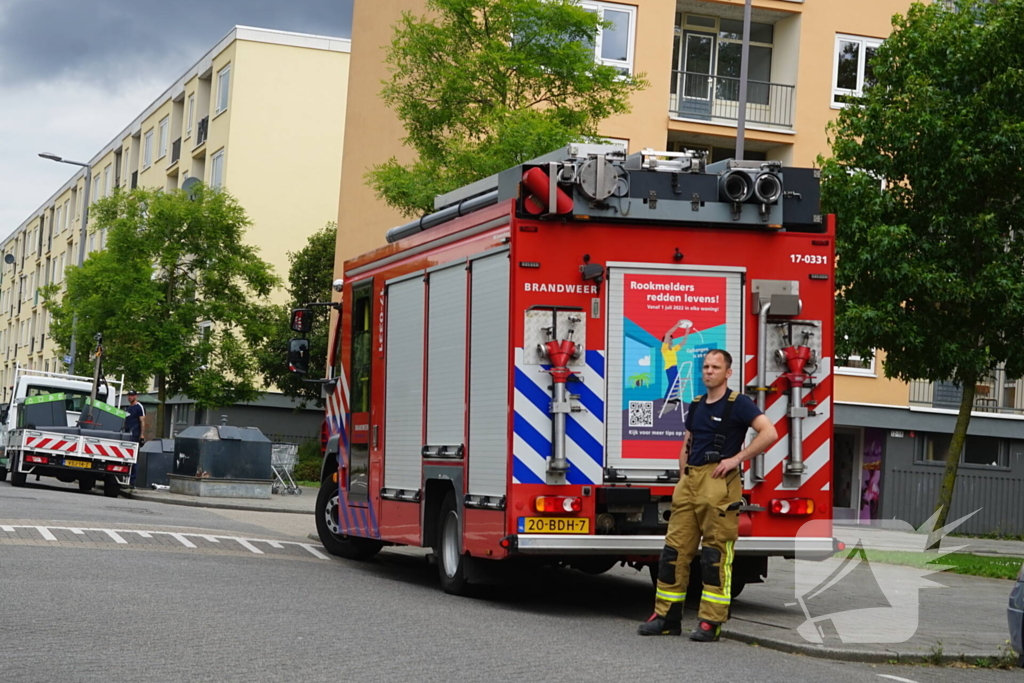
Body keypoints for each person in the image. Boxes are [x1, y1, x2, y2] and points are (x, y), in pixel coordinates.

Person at [638, 349, 778, 642]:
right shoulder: (697, 404)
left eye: (715, 367)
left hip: (718, 482)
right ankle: (666, 618)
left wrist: (736, 459)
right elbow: (687, 442)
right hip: (690, 482)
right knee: (674, 553)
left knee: (714, 556)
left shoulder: (739, 403)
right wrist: (683, 475)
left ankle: (710, 623)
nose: (709, 371)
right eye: (705, 367)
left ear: (728, 373)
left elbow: (769, 433)